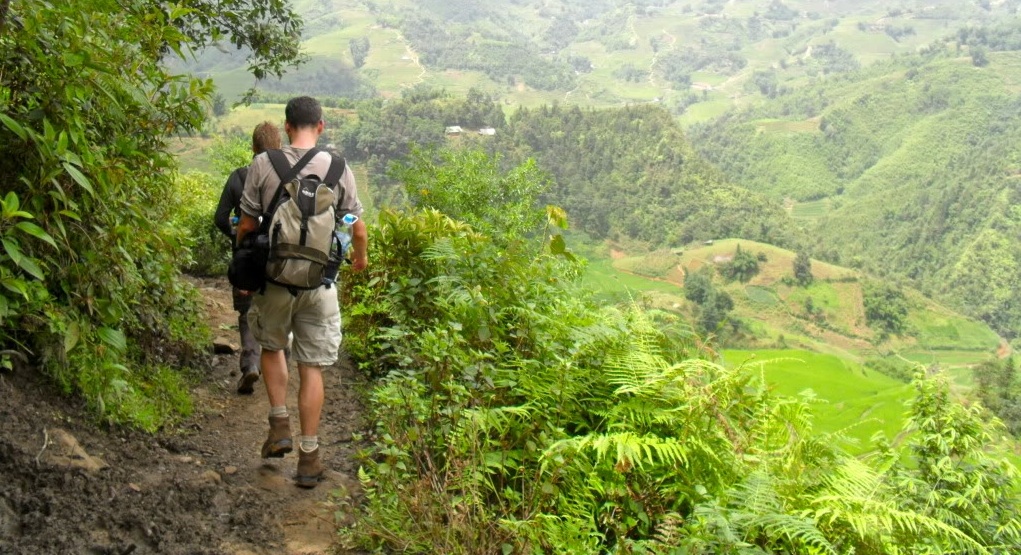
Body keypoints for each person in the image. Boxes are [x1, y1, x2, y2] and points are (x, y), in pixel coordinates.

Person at [235, 96, 368, 488]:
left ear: (287, 125)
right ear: (321, 126)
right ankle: (309, 457)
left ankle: (279, 423)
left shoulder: (264, 163)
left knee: (273, 347)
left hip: (274, 281)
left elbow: (245, 225)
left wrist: (246, 262)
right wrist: (358, 260)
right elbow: (357, 228)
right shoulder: (339, 167)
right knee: (312, 367)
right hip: (319, 282)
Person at [214, 121, 282, 395]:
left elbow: (220, 218)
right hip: (280, 258)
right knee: (278, 309)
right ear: (280, 147)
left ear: (253, 147)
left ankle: (250, 363)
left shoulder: (239, 176)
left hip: (247, 258)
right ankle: (279, 368)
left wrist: (236, 238)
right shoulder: (289, 178)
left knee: (247, 313)